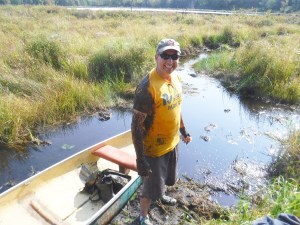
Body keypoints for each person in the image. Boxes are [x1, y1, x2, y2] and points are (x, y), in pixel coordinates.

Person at [131, 38, 192, 225]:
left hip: (172, 143)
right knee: (149, 188)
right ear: (156, 57)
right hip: (153, 150)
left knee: (166, 178)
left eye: (174, 56)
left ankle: (162, 194)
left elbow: (176, 108)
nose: (170, 61)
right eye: (165, 55)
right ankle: (143, 215)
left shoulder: (177, 78)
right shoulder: (147, 88)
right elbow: (135, 127)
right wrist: (140, 159)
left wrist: (183, 131)